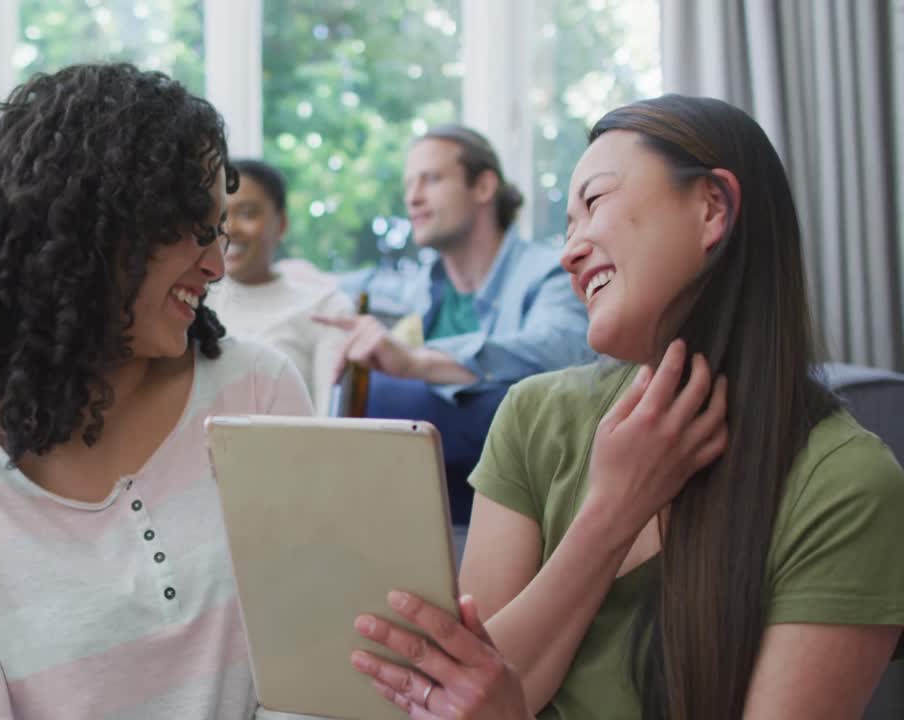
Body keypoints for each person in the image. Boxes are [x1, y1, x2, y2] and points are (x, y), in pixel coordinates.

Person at [346, 94, 904, 718]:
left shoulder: (846, 484)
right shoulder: (536, 418)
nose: (569, 252)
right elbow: (472, 693)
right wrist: (613, 511)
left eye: (596, 202)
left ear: (712, 207)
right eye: (566, 227)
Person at [0, 63, 312, 718]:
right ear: (95, 228)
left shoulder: (260, 391)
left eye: (219, 230)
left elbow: (313, 678)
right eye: (195, 229)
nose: (216, 265)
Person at [316, 125, 592, 523]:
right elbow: (356, 282)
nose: (412, 198)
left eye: (430, 179)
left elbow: (561, 350)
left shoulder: (551, 272)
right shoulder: (416, 287)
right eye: (409, 184)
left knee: (394, 391)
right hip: (421, 509)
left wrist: (419, 363)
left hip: (526, 502)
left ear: (482, 187)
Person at [206, 159, 354, 414]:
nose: (229, 229)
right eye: (220, 215)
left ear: (282, 223)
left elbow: (331, 424)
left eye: (248, 213)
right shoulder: (193, 302)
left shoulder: (326, 307)